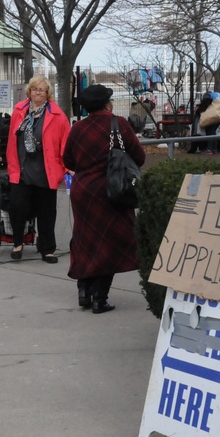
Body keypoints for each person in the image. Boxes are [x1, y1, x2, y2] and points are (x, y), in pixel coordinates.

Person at [62, 84, 146, 313]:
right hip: (113, 191)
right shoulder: (118, 124)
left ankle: (83, 290)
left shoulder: (77, 128)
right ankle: (99, 298)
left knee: (84, 240)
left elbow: (68, 161)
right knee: (109, 243)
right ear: (108, 103)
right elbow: (139, 156)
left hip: (83, 192)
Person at [5, 75, 71, 263]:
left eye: (41, 90)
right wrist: (10, 164)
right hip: (22, 168)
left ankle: (47, 249)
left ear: (48, 93)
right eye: (35, 89)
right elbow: (12, 140)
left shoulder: (58, 116)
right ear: (29, 92)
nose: (38, 92)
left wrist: (67, 168)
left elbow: (65, 144)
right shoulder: (19, 111)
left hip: (46, 170)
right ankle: (17, 244)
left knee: (47, 211)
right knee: (17, 207)